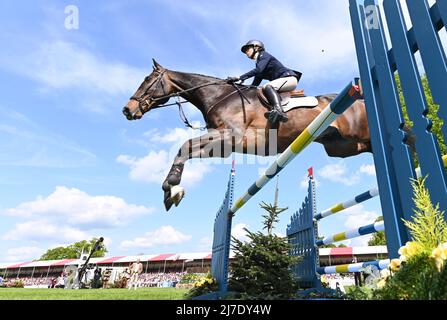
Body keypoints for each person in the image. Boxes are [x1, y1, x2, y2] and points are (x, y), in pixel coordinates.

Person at [227, 40, 302, 124]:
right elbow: (253, 85)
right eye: (245, 51)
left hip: (289, 79)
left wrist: (239, 77)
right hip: (284, 81)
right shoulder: (259, 63)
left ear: (257, 47)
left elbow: (258, 71)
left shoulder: (264, 55)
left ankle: (279, 111)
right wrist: (237, 87)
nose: (246, 52)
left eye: (248, 49)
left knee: (267, 86)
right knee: (261, 91)